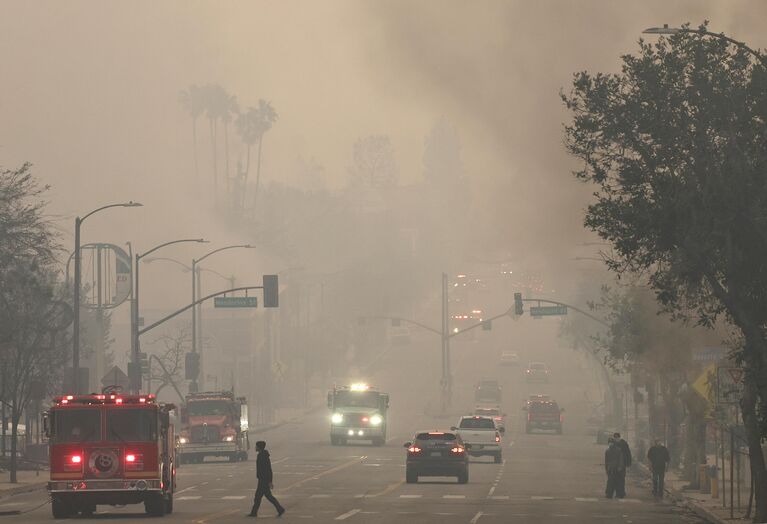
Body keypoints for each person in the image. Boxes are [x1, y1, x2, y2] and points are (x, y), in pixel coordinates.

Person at [248, 441, 285, 518]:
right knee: (266, 496)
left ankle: (254, 512)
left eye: (256, 446)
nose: (255, 447)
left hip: (263, 480)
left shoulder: (262, 456)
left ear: (259, 447)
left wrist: (269, 481)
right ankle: (279, 509)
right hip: (263, 479)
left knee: (260, 496)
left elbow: (268, 469)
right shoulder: (262, 455)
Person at [613, 432, 632, 498]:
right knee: (619, 479)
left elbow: (628, 453)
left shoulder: (623, 444)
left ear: (619, 437)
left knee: (620, 479)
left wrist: (628, 463)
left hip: (621, 464)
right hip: (617, 464)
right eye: (615, 438)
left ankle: (620, 493)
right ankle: (621, 492)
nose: (616, 439)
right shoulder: (616, 444)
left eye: (616, 438)